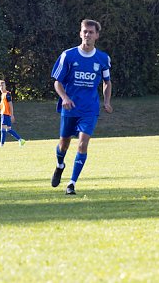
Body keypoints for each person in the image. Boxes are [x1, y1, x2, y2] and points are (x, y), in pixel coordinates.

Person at [51, 19, 113, 195]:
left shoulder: (103, 58)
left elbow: (107, 82)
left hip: (89, 109)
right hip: (70, 108)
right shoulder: (68, 56)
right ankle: (60, 165)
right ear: (80, 33)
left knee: (82, 144)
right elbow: (57, 82)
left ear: (97, 35)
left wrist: (106, 101)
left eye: (91, 32)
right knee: (64, 144)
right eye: (85, 31)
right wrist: (64, 98)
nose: (87, 35)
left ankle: (71, 183)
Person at [0, 80, 26, 146]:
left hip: (5, 114)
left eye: (3, 85)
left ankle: (1, 144)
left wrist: (12, 115)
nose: (1, 87)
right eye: (0, 86)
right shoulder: (3, 95)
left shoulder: (7, 94)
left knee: (3, 129)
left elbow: (10, 105)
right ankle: (20, 140)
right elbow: (1, 105)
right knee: (8, 129)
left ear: (5, 86)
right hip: (4, 113)